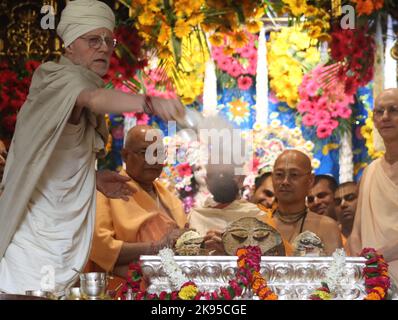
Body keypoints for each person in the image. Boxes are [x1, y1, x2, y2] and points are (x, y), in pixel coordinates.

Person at [0, 0, 185, 295]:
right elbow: (94, 99)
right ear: (70, 45)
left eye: (108, 41)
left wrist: (93, 179)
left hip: (62, 237)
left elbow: (54, 157)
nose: (103, 48)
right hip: (37, 240)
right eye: (92, 40)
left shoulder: (73, 82)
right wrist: (151, 103)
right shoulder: (61, 78)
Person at [89, 125, 187, 288]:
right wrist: (156, 247)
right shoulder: (108, 191)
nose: (154, 160)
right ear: (125, 155)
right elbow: (101, 248)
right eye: (145, 153)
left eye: (159, 153)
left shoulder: (170, 198)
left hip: (172, 288)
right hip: (123, 290)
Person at [349, 88, 398, 287]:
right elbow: (356, 232)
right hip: (369, 279)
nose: (385, 117)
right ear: (374, 120)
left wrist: (376, 258)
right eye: (379, 111)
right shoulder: (370, 171)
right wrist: (360, 264)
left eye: (394, 110)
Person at [261, 150, 342, 256]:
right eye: (279, 175)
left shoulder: (327, 227)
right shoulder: (260, 223)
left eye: (294, 175)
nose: (285, 181)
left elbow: (337, 270)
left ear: (310, 181)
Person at [188, 164, 263, 254]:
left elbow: (268, 260)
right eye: (215, 175)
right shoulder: (195, 216)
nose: (221, 178)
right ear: (207, 180)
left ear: (241, 178)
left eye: (228, 174)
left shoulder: (258, 216)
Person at [334, 181, 358, 247]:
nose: (343, 204)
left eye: (350, 198)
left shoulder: (377, 232)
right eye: (338, 202)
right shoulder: (331, 236)